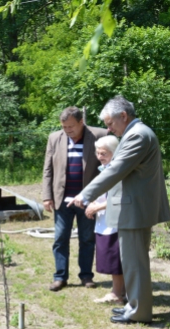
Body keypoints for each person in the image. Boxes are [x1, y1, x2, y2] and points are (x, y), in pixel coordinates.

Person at [68, 96, 170, 324]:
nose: (108, 128)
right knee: (132, 263)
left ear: (123, 116)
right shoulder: (135, 133)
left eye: (110, 123)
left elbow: (115, 170)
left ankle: (139, 312)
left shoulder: (137, 135)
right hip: (134, 208)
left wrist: (85, 195)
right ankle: (133, 306)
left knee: (135, 264)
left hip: (134, 210)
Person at [42, 106, 108, 291]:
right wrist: (47, 196)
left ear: (81, 122)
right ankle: (60, 277)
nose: (67, 130)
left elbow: (109, 164)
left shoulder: (98, 136)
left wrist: (98, 197)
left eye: (71, 126)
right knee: (60, 238)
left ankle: (86, 276)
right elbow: (48, 169)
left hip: (88, 200)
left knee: (87, 238)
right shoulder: (54, 138)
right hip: (61, 199)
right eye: (64, 127)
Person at [85, 135, 126, 305]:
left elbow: (119, 197)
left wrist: (97, 207)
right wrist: (93, 202)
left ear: (114, 153)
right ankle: (118, 292)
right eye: (98, 153)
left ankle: (118, 293)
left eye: (104, 153)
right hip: (104, 220)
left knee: (115, 258)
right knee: (110, 257)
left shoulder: (118, 171)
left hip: (115, 221)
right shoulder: (104, 170)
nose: (100, 157)